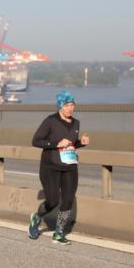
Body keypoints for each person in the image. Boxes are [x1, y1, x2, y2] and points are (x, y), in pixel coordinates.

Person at [28, 91, 90, 245]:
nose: (70, 108)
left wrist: (81, 142)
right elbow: (36, 141)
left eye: (72, 105)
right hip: (50, 167)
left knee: (68, 200)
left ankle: (59, 232)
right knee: (53, 200)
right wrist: (55, 145)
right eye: (67, 105)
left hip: (70, 167)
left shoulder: (76, 123)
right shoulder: (50, 121)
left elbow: (71, 144)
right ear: (60, 106)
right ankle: (37, 217)